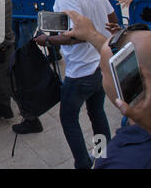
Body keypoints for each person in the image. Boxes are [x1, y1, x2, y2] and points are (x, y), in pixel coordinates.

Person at [34, 0, 118, 169]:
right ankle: (103, 157)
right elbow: (112, 18)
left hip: (81, 71)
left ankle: (82, 163)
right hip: (100, 66)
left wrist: (46, 39)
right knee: (97, 113)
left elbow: (78, 35)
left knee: (68, 118)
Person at [62, 11, 151, 168]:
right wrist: (91, 35)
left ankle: (85, 162)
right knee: (97, 114)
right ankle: (99, 151)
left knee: (69, 118)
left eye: (103, 72)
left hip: (77, 79)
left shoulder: (120, 160)